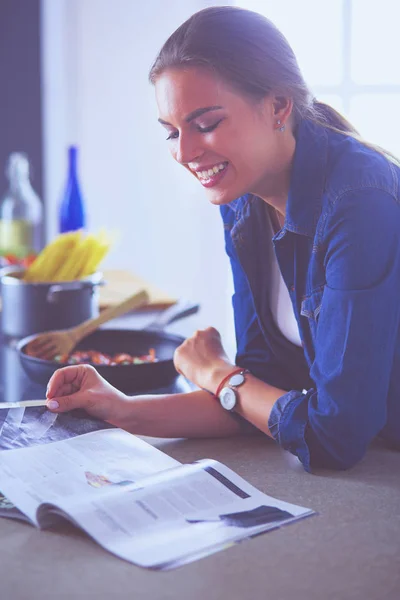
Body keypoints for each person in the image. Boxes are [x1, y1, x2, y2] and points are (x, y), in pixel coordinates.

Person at [46, 6, 400, 472]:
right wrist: (121, 408)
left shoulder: (359, 201)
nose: (185, 153)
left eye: (206, 124)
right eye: (171, 132)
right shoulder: (241, 198)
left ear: (278, 106)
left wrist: (215, 372)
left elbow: (334, 436)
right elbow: (257, 390)